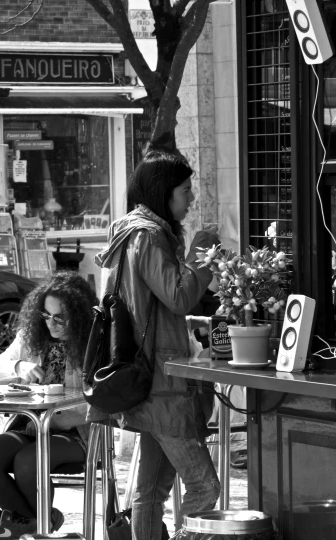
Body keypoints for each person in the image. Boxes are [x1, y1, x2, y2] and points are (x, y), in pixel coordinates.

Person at [92, 149, 221, 540]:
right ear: (164, 192)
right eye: (185, 190)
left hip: (151, 377)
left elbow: (155, 306)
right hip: (162, 383)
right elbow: (178, 295)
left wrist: (191, 323)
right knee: (205, 487)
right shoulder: (147, 236)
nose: (191, 198)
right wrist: (203, 252)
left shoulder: (139, 232)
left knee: (150, 491)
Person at [0, 271, 97, 540]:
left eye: (60, 317)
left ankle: (36, 527)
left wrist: (56, 417)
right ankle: (41, 526)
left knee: (29, 462)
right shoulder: (32, 336)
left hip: (77, 433)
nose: (51, 323)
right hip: (29, 425)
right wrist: (19, 366)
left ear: (79, 314)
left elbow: (99, 401)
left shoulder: (94, 342)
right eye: (46, 315)